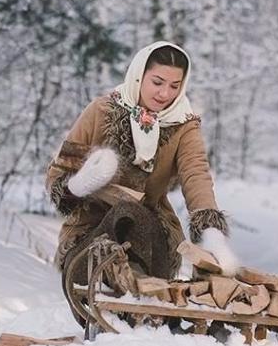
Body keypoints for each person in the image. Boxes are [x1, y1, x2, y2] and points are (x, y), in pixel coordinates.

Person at [45, 41, 238, 308]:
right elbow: (57, 174)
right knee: (123, 212)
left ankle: (140, 289)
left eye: (174, 86)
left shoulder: (183, 125)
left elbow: (196, 172)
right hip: (89, 236)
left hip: (149, 237)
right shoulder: (100, 111)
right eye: (157, 82)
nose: (164, 94)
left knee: (134, 214)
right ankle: (117, 284)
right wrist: (79, 185)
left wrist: (211, 233)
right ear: (139, 76)